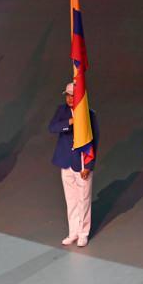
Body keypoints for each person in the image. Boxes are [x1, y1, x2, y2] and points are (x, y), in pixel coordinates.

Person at [48, 82, 99, 247]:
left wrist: (89, 166)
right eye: (68, 95)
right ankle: (73, 231)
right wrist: (70, 121)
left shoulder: (89, 115)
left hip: (82, 163)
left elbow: (94, 141)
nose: (70, 98)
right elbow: (52, 127)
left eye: (73, 95)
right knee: (71, 199)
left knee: (83, 199)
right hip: (66, 161)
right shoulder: (61, 111)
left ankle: (83, 233)